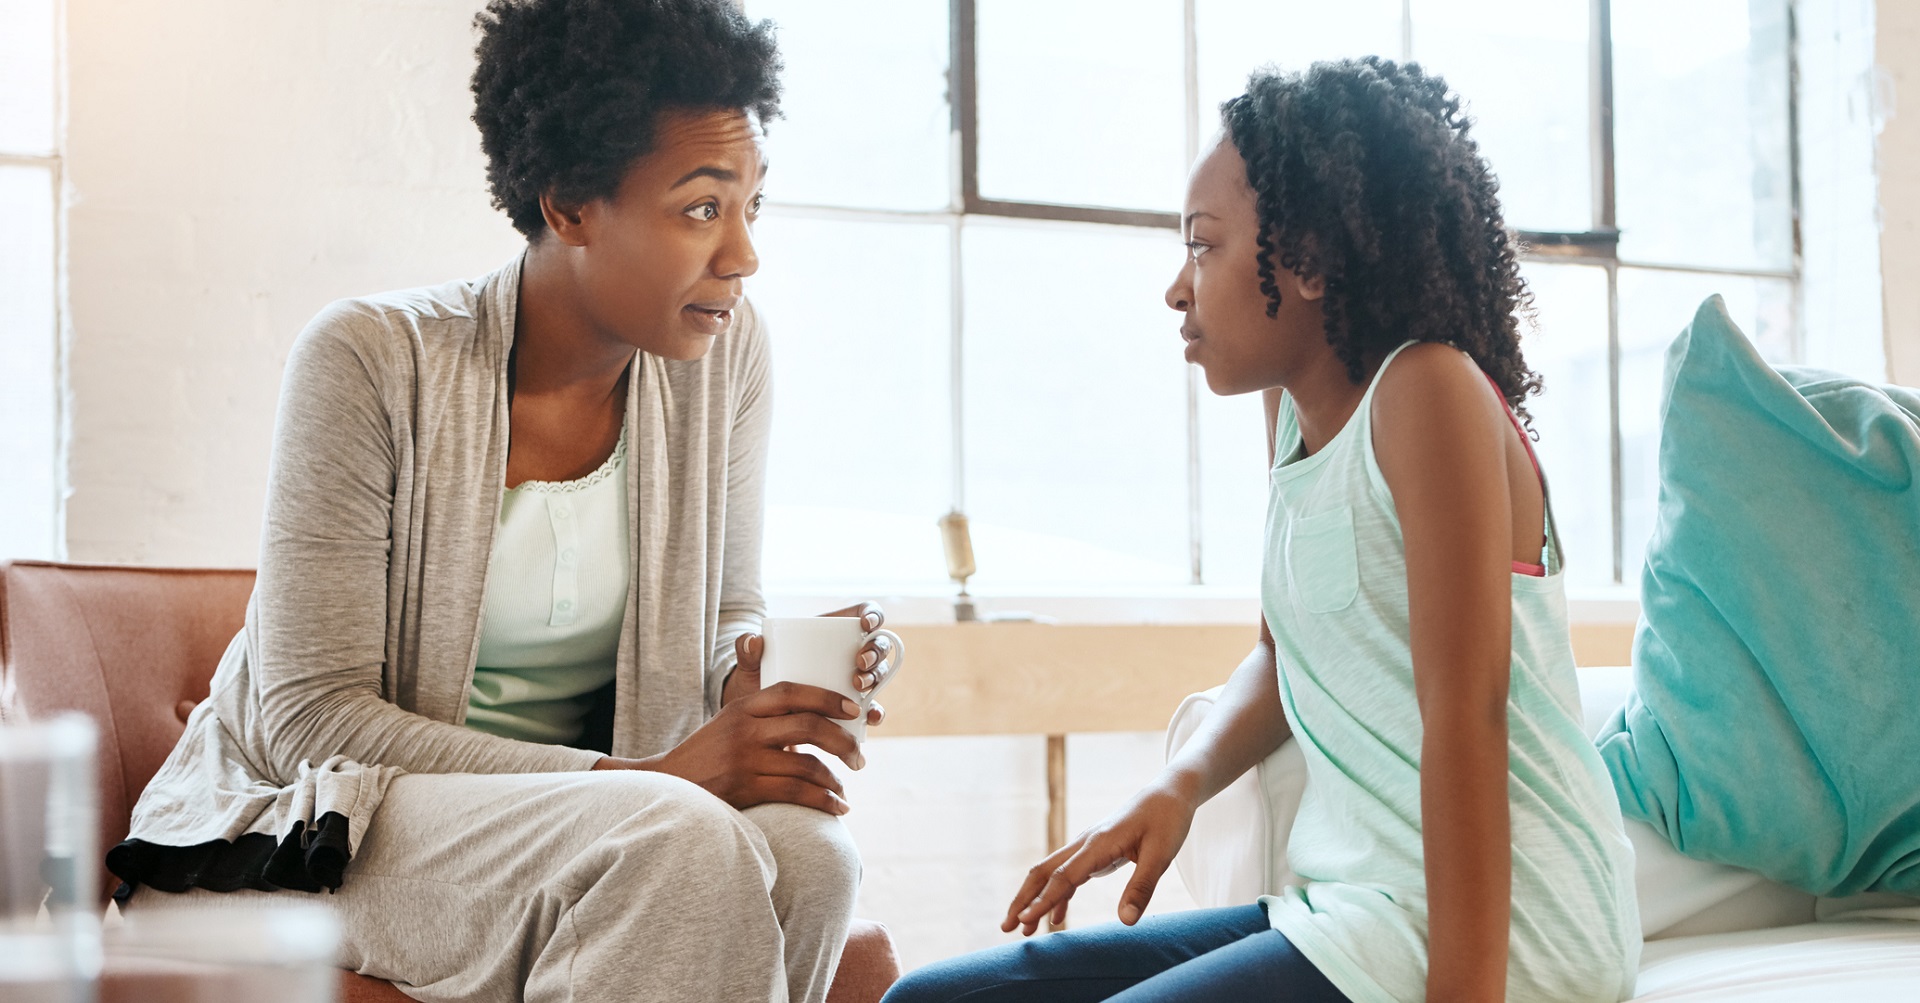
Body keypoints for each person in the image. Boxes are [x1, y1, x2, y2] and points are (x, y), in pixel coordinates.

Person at [106, 2, 894, 1001]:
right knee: (676, 834)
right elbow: (311, 718)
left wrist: (753, 676)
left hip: (584, 818)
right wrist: (649, 779)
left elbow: (722, 608)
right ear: (569, 203)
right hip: (315, 827)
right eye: (701, 208)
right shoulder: (370, 359)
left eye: (752, 207)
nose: (742, 253)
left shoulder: (725, 355)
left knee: (817, 853)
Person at [884, 57, 1641, 1003]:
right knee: (931, 999)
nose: (1177, 288)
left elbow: (1467, 713)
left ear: (1311, 262)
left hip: (1506, 928)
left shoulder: (1429, 390)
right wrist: (1181, 785)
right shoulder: (1291, 413)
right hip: (1348, 906)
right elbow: (1285, 656)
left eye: (1203, 247)